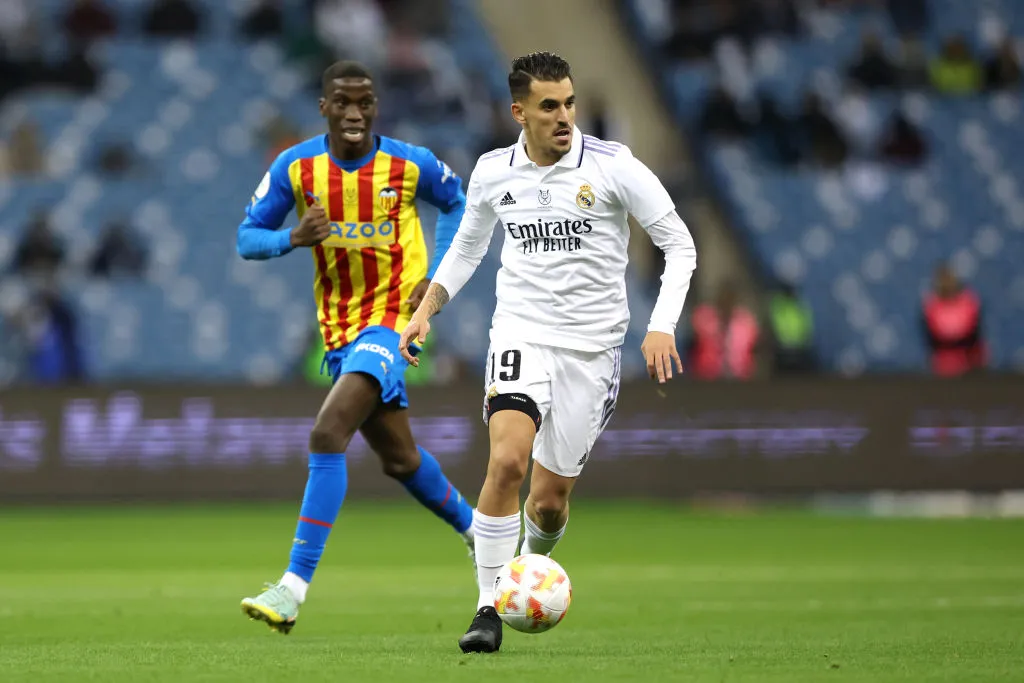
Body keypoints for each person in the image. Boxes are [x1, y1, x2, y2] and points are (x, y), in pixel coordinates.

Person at [398, 52, 698, 653]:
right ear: (519, 112)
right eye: (548, 107)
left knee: (549, 501)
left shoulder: (615, 166)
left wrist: (662, 325)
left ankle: (529, 570)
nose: (564, 116)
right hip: (521, 333)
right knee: (507, 461)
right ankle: (486, 608)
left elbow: (680, 245)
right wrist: (426, 310)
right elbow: (466, 250)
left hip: (593, 351)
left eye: (569, 103)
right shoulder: (492, 172)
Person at [235, 60, 475, 634]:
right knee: (400, 460)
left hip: (394, 322)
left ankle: (292, 588)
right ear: (323, 107)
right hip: (340, 331)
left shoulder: (411, 164)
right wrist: (292, 237)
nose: (353, 112)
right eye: (342, 101)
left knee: (326, 434)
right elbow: (247, 237)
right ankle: (482, 532)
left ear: (376, 106)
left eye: (364, 101)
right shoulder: (296, 168)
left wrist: (435, 278)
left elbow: (460, 202)